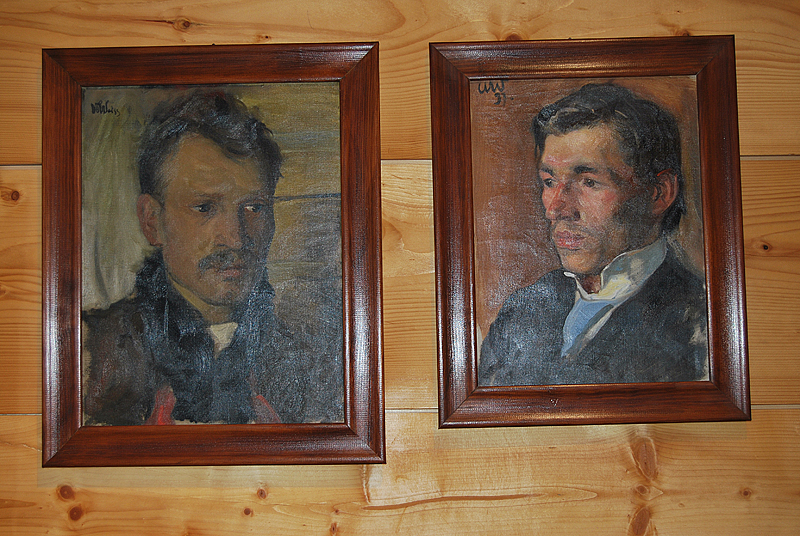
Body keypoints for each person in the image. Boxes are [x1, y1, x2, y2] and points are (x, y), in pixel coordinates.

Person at [82, 91, 342, 425]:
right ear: (152, 221)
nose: (235, 238)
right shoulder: (93, 356)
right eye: (204, 208)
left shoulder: (309, 364)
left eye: (254, 208)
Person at [479, 83, 708, 386]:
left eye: (588, 182)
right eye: (549, 181)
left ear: (659, 193)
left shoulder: (698, 321)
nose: (556, 209)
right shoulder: (523, 310)